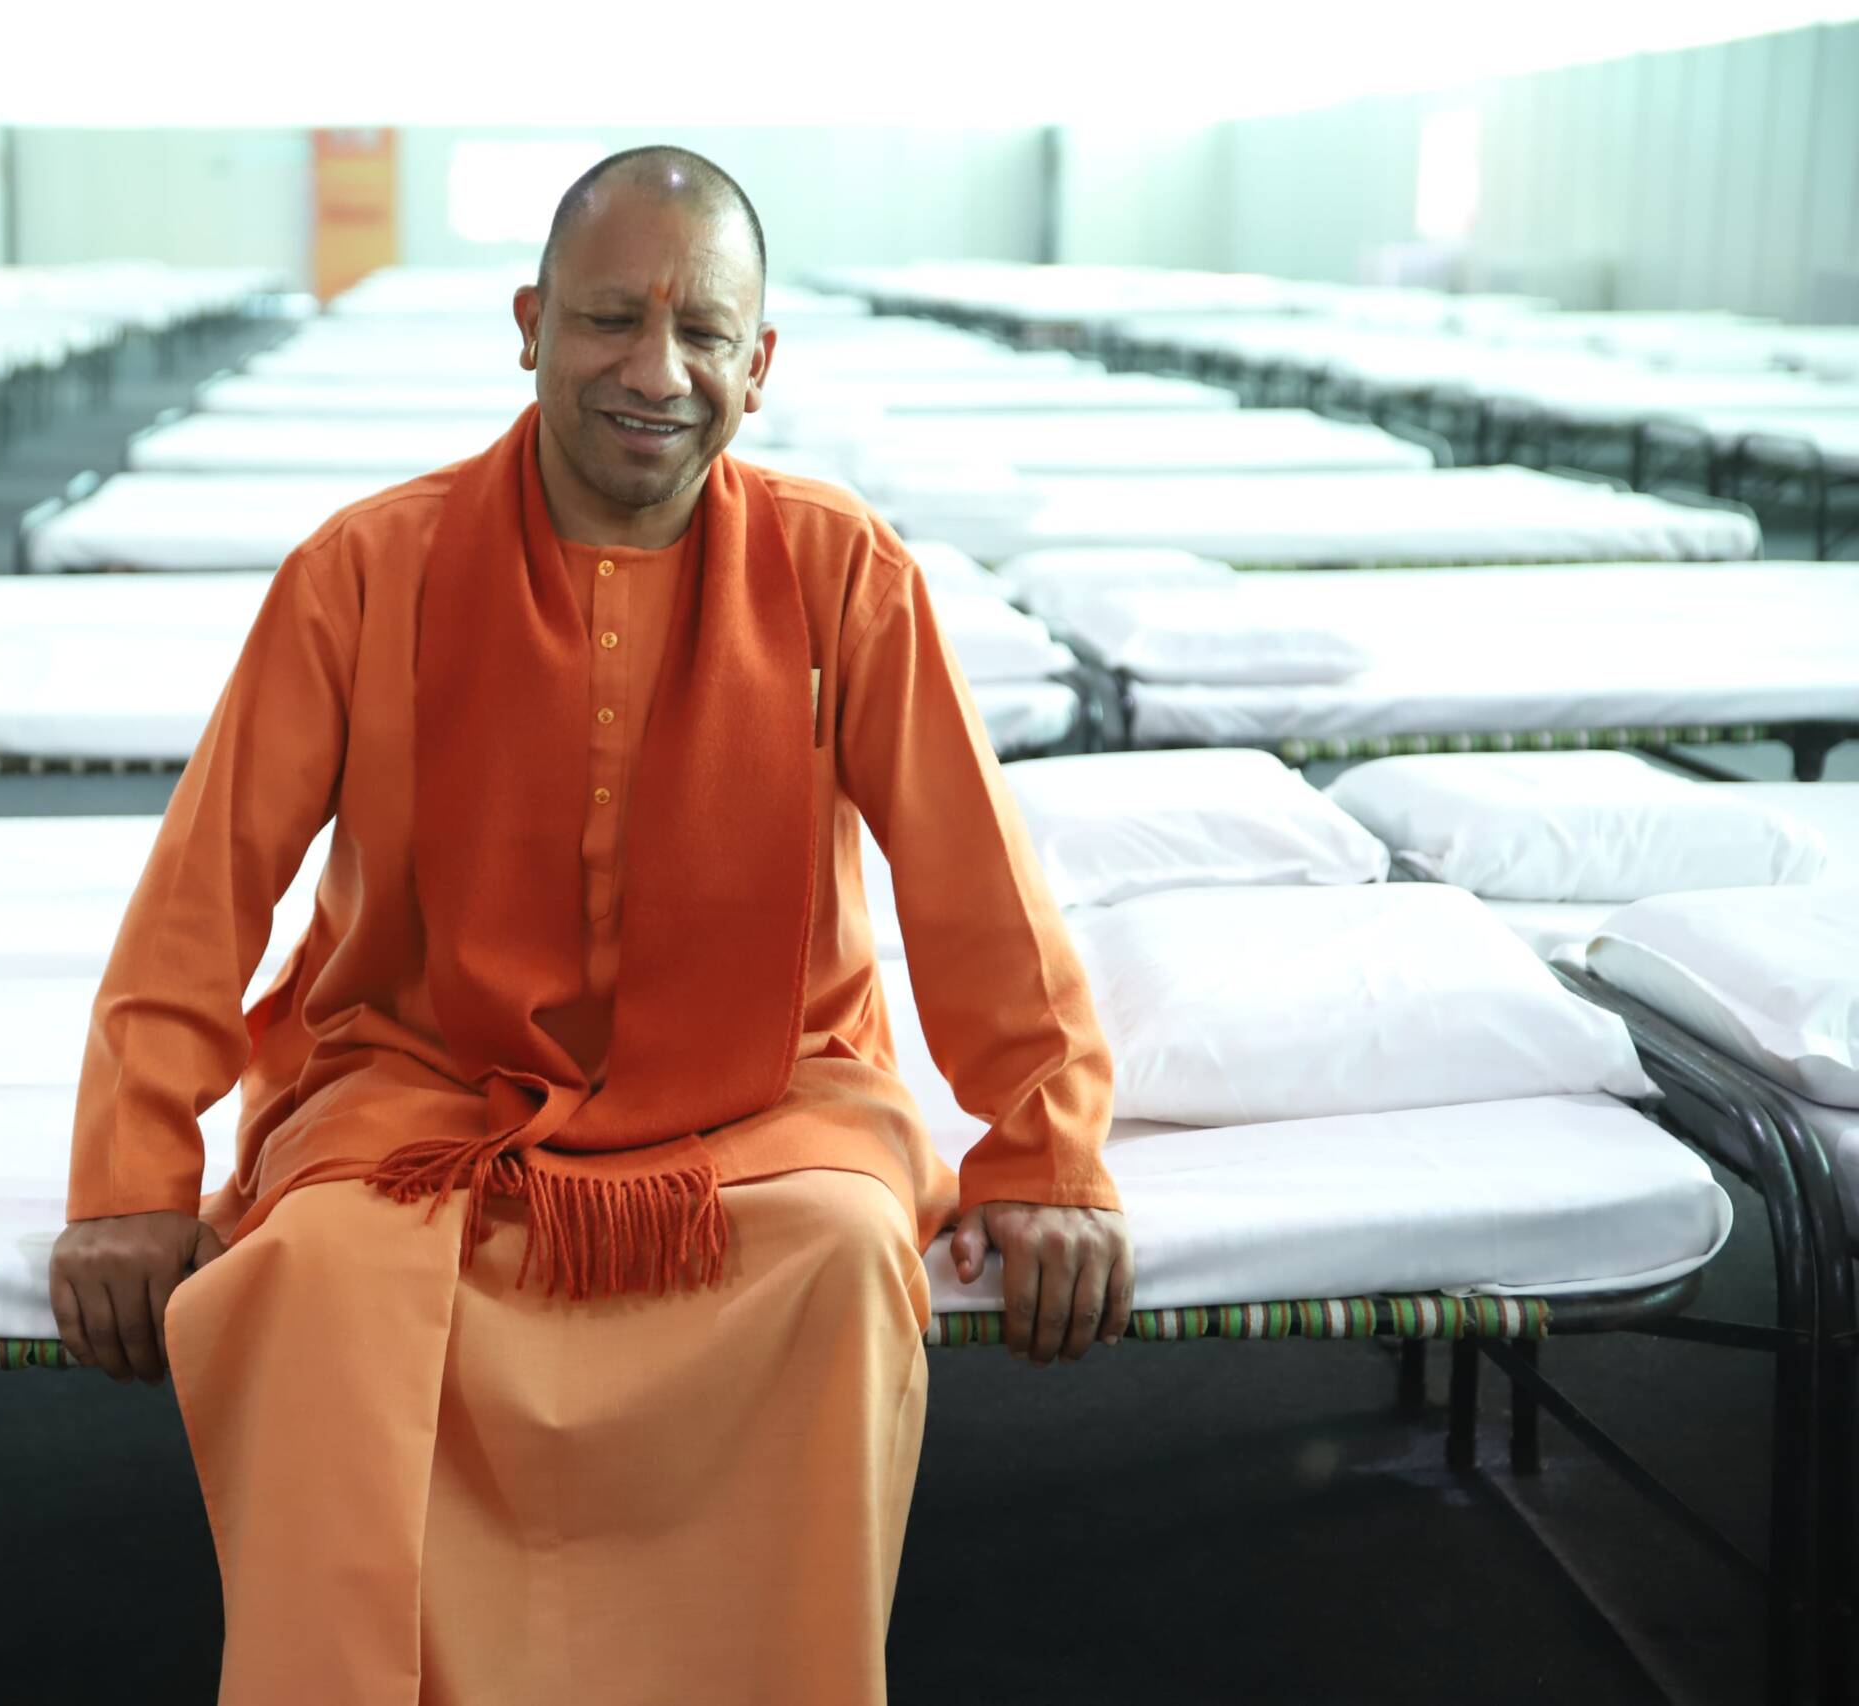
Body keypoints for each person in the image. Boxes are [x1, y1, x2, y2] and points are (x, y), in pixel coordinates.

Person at [55, 146, 1127, 1705]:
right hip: (421, 1087)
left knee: (841, 1252)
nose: (655, 372)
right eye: (611, 319)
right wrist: (127, 1175)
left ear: (760, 365)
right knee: (315, 1272)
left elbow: (981, 891)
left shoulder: (844, 570)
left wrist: (1050, 1154)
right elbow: (207, 888)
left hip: (770, 1095)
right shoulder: (365, 570)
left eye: (703, 334)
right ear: (530, 325)